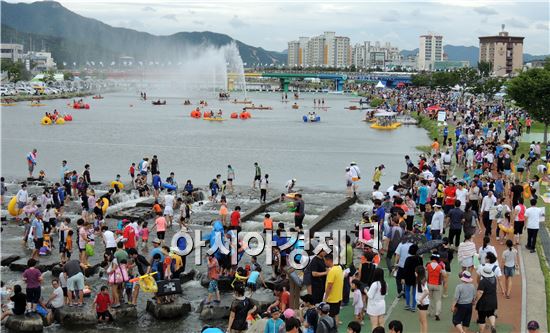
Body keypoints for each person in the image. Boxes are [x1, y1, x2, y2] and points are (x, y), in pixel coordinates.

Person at [475, 265, 499, 333]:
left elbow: (480, 292)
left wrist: (476, 300)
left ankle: (481, 331)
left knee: (482, 318)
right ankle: (493, 326)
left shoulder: (483, 282)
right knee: (491, 314)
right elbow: (496, 289)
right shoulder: (494, 279)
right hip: (493, 300)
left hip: (484, 302)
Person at [323, 254, 343, 322]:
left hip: (332, 299)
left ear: (329, 260)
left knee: (331, 318)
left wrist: (325, 298)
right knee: (336, 315)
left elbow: (329, 286)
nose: (325, 262)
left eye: (325, 261)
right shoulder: (339, 268)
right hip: (338, 296)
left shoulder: (332, 271)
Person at [403, 244, 423, 311]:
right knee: (415, 292)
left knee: (407, 291)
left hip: (408, 277)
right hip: (416, 278)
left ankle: (407, 304)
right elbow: (421, 269)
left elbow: (405, 269)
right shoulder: (419, 259)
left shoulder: (408, 259)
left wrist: (403, 278)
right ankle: (414, 306)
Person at [426, 253, 444, 321]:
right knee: (438, 300)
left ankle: (430, 312)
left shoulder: (428, 266)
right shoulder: (440, 266)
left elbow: (427, 276)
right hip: (437, 285)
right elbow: (443, 275)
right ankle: (437, 313)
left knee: (430, 299)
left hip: (429, 284)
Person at [415, 266, 430, 333]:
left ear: (418, 273)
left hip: (423, 303)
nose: (414, 272)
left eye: (415, 271)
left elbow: (427, 292)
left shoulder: (422, 281)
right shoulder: (419, 280)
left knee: (424, 321)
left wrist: (421, 299)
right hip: (420, 303)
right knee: (421, 320)